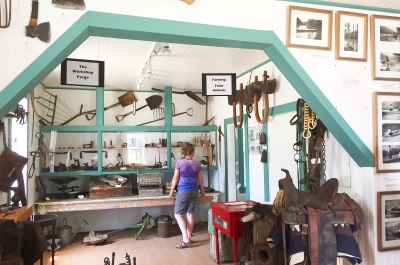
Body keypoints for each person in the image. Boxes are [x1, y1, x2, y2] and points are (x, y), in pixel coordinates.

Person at [169, 142, 205, 249]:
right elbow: (201, 179)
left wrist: (171, 192)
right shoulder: (197, 164)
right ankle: (188, 237)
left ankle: (185, 239)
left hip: (183, 190)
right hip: (194, 190)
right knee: (190, 214)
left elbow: (175, 178)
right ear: (193, 152)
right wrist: (202, 191)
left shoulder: (179, 163)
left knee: (177, 214)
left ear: (184, 152)